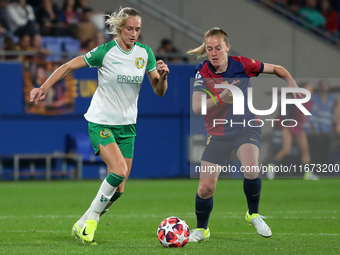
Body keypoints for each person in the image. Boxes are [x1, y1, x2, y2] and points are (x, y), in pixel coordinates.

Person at [30, 7, 169, 245]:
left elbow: (159, 91)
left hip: (128, 127)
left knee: (120, 189)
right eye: (129, 28)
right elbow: (68, 67)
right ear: (119, 28)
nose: (134, 33)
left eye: (137, 29)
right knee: (118, 171)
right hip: (102, 122)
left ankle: (82, 222)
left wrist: (163, 77)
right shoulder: (105, 52)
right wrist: (44, 86)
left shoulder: (145, 54)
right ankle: (92, 221)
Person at [187, 27, 303, 242]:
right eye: (210, 49)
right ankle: (202, 229)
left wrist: (291, 81)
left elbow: (277, 68)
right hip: (218, 132)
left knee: (251, 169)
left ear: (227, 48)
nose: (213, 53)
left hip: (245, 127)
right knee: (205, 188)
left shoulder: (242, 64)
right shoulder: (202, 71)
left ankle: (253, 214)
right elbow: (196, 107)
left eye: (218, 48)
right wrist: (223, 96)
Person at [267, 82, 318, 180]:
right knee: (286, 150)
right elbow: (283, 111)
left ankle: (307, 173)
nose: (312, 91)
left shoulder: (310, 101)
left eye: (311, 89)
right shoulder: (293, 99)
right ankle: (271, 167)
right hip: (289, 126)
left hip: (300, 128)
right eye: (309, 89)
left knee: (305, 150)